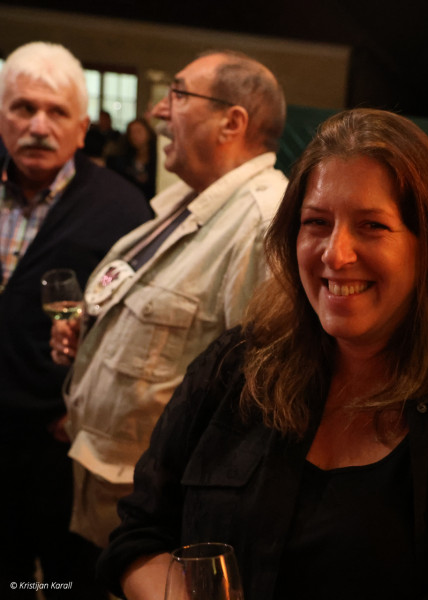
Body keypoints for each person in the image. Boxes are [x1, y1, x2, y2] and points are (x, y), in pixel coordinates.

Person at [97, 108, 428, 600]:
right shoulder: (233, 368)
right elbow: (138, 537)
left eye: (372, 226)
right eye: (316, 222)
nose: (336, 254)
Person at [50, 50, 289, 553]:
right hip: (106, 487)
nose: (159, 110)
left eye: (178, 94)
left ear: (232, 122)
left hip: (155, 517)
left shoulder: (261, 222)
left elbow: (255, 406)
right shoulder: (187, 201)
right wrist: (92, 336)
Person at [0, 42, 152, 596]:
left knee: (69, 583)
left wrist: (84, 411)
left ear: (82, 128)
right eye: (23, 108)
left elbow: (141, 332)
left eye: (57, 112)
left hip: (60, 446)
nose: (38, 125)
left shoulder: (122, 209)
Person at [107, 117, 157, 201]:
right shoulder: (122, 159)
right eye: (132, 133)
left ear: (148, 133)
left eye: (139, 131)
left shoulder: (157, 159)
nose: (135, 136)